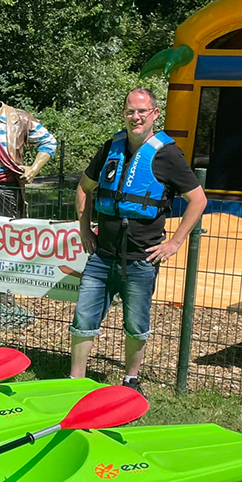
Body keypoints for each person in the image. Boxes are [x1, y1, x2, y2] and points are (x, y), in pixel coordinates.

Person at [69, 87, 207, 392]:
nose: (136, 117)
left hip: (142, 259)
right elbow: (84, 188)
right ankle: (74, 381)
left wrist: (175, 242)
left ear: (154, 114)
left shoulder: (168, 154)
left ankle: (131, 380)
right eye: (130, 111)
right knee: (83, 320)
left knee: (136, 325)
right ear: (124, 114)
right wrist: (83, 229)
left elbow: (198, 199)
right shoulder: (110, 148)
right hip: (102, 255)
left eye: (142, 111)